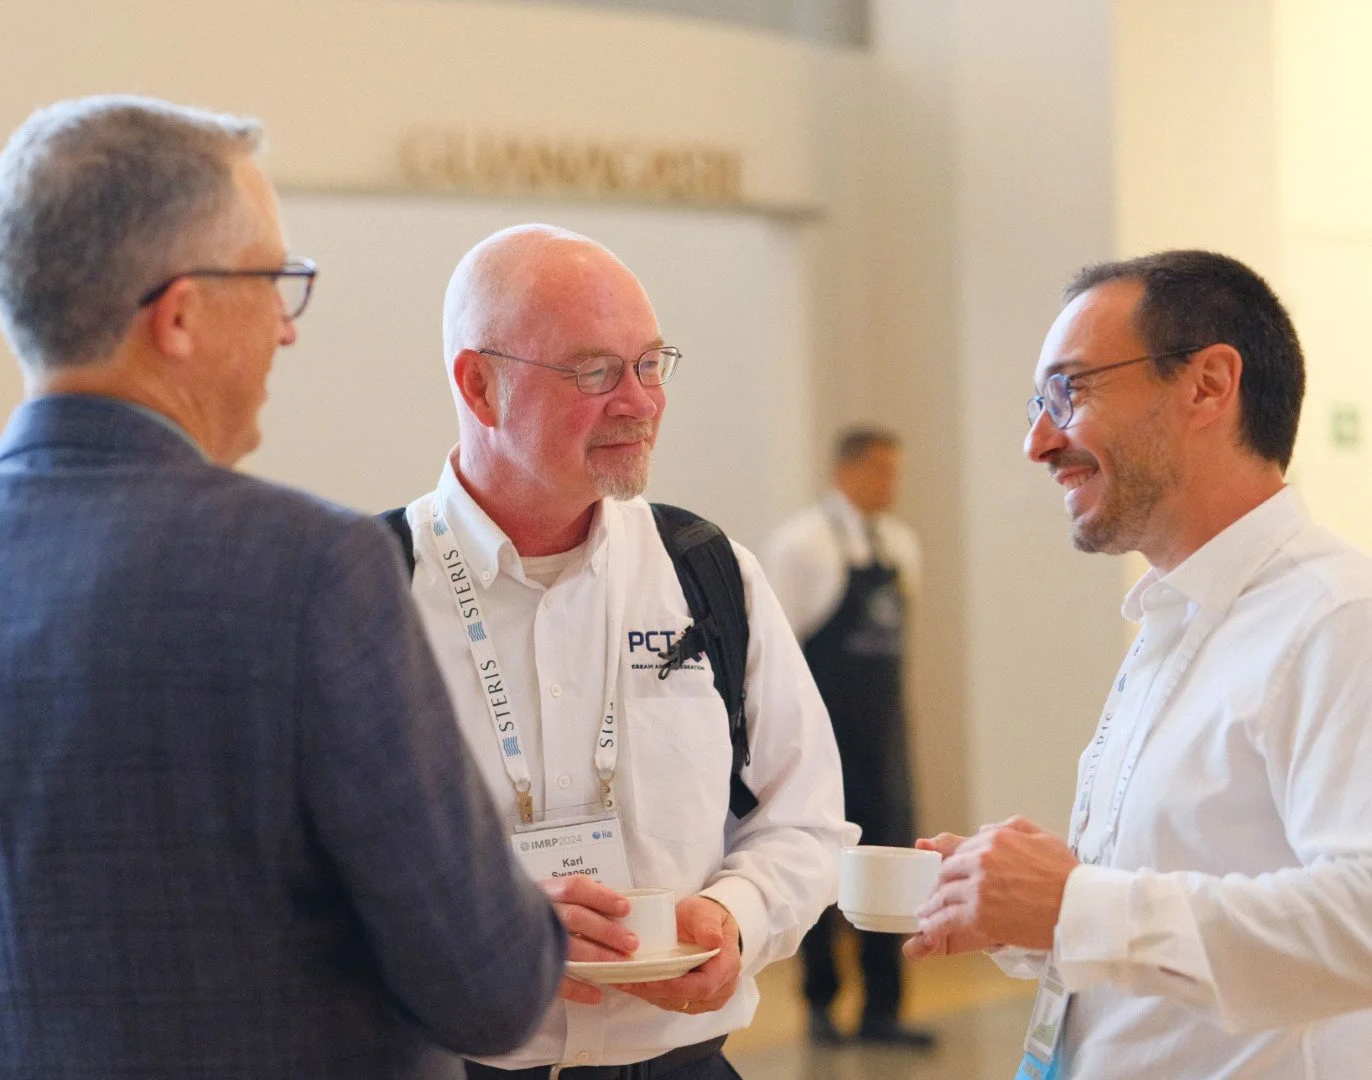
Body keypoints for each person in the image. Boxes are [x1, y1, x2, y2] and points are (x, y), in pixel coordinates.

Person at [0, 96, 563, 1080]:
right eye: (275, 282)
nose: (287, 329)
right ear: (179, 314)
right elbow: (489, 988)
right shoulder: (310, 571)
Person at [390, 223, 856, 1079]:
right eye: (596, 371)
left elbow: (808, 819)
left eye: (650, 364)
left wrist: (737, 917)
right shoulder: (366, 593)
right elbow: (285, 877)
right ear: (480, 385)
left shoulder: (710, 574)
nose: (640, 402)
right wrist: (488, 929)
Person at [905, 250, 1372, 1078]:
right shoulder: (1177, 615)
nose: (1037, 441)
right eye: (1037, 402)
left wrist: (1080, 905)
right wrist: (1023, 909)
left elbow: (1363, 920)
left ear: (1208, 385)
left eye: (1069, 392)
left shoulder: (1338, 618)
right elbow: (1183, 896)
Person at [761, 428, 933, 1048]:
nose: (891, 484)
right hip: (822, 744)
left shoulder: (903, 547)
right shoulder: (802, 545)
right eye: (881, 470)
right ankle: (820, 1006)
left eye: (897, 471)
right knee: (818, 871)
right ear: (847, 470)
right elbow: (777, 655)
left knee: (893, 868)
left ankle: (884, 1009)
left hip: (884, 739)